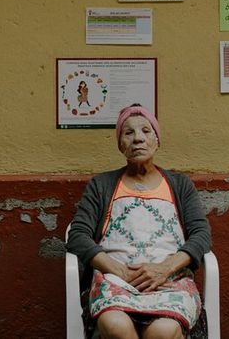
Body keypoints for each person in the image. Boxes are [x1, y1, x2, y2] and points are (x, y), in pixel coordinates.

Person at [66, 104, 212, 339]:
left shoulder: (180, 185)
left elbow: (201, 235)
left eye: (146, 131)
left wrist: (164, 269)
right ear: (120, 144)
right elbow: (78, 236)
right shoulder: (101, 185)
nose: (138, 139)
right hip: (115, 281)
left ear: (157, 140)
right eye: (129, 133)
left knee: (163, 332)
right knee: (116, 326)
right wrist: (119, 271)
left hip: (168, 281)